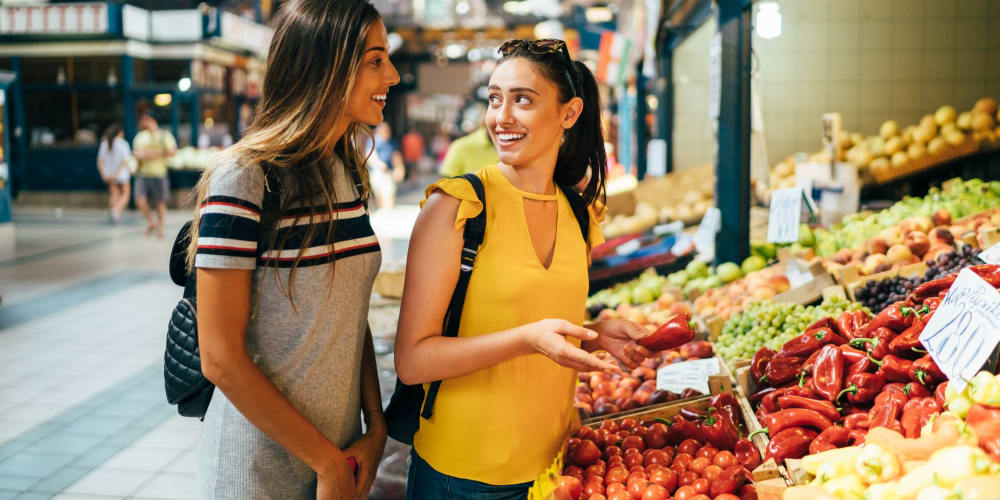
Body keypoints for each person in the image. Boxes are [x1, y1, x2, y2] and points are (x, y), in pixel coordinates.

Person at [395, 38, 650, 499]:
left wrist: (593, 332)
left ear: (569, 114)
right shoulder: (459, 206)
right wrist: (527, 339)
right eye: (495, 99)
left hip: (553, 467)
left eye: (523, 100)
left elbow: (534, 324)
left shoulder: (579, 214)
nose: (501, 117)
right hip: (463, 474)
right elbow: (413, 360)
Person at [184, 1, 398, 498]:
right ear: (324, 68)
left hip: (339, 456)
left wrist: (375, 428)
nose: (393, 74)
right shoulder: (245, 177)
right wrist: (324, 461)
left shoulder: (348, 171)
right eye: (374, 60)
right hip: (256, 469)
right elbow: (220, 357)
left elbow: (350, 313)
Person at [132, 114, 177, 237]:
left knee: (160, 203)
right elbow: (135, 153)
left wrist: (156, 153)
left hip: (159, 173)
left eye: (147, 120)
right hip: (142, 173)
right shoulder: (140, 137)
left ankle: (160, 227)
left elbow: (173, 152)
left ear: (153, 120)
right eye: (143, 120)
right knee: (139, 199)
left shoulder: (164, 135)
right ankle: (151, 222)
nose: (145, 123)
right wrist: (146, 154)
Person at [96, 123, 132, 224]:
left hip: (109, 174)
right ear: (120, 133)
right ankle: (115, 211)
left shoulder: (104, 143)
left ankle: (114, 212)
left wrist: (103, 174)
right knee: (126, 194)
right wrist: (117, 173)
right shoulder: (123, 143)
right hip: (121, 174)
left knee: (114, 193)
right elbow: (126, 160)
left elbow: (99, 160)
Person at [367, 122, 404, 210]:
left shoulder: (392, 142)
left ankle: (388, 211)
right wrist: (379, 164)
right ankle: (383, 212)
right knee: (379, 195)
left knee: (388, 193)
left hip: (388, 173)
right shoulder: (373, 140)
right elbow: (370, 155)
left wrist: (399, 168)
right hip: (377, 172)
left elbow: (396, 156)